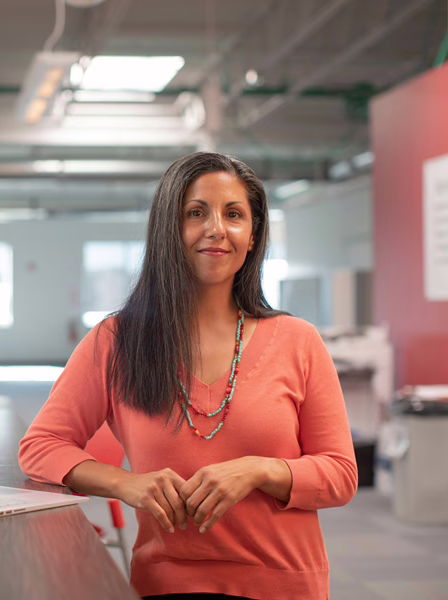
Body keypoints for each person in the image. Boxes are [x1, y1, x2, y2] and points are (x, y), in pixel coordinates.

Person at [19, 152, 358, 600]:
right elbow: (40, 447)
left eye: (234, 214)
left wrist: (259, 471)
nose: (217, 228)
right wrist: (125, 483)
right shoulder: (117, 340)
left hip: (283, 584)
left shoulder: (298, 340)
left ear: (252, 235)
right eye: (196, 213)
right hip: (166, 584)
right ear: (169, 231)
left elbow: (340, 475)